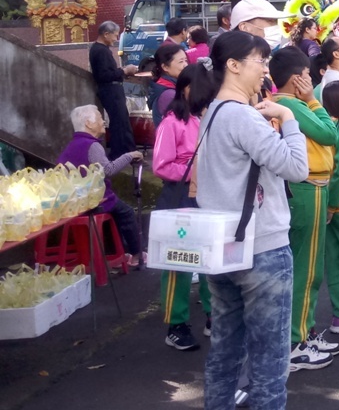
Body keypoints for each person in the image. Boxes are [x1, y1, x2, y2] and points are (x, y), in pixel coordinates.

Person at [196, 30, 309, 408]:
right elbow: (295, 167)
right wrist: (290, 117)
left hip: (221, 246)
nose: (265, 69)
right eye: (259, 61)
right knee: (270, 358)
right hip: (262, 248)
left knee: (226, 347)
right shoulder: (244, 117)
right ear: (233, 65)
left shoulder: (212, 112)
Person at [268, 47, 339, 370]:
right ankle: (295, 340)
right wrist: (312, 99)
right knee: (306, 268)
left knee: (308, 267)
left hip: (310, 187)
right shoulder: (290, 104)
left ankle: (304, 330)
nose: (311, 81)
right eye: (308, 75)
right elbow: (329, 133)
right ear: (298, 78)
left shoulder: (284, 103)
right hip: (305, 187)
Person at [152, 64, 215, 351]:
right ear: (186, 89)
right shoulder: (172, 122)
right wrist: (195, 171)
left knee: (209, 259)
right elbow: (161, 166)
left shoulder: (209, 117)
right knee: (178, 261)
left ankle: (214, 316)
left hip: (207, 195)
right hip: (180, 197)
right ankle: (175, 324)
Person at [58, 105, 144, 266]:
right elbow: (108, 170)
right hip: (93, 201)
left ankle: (117, 254)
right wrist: (129, 155)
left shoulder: (72, 145)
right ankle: (137, 254)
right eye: (99, 118)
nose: (103, 121)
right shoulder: (92, 145)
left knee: (115, 212)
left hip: (73, 202)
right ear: (88, 124)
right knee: (126, 212)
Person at [89, 21, 139, 158]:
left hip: (113, 90)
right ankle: (126, 154)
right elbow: (103, 75)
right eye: (115, 36)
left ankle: (123, 153)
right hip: (110, 91)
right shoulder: (100, 51)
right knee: (120, 123)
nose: (116, 39)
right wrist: (124, 71)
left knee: (121, 122)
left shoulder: (100, 49)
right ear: (106, 34)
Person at [148, 44, 188, 129]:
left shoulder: (170, 87)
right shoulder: (169, 94)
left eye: (186, 60)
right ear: (165, 67)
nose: (186, 65)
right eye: (181, 61)